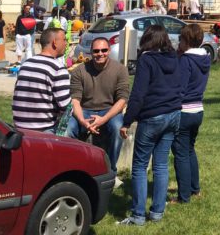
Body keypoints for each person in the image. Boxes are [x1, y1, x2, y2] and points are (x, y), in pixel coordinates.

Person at [119, 25, 182, 225]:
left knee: (139, 166)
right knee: (161, 164)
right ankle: (157, 213)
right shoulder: (175, 58)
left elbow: (138, 94)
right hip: (173, 114)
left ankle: (138, 215)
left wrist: (127, 121)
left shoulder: (146, 60)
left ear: (146, 40)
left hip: (153, 116)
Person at [66, 36, 130, 169]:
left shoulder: (120, 70)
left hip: (109, 110)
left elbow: (122, 100)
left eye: (104, 50)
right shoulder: (79, 71)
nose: (100, 54)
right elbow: (75, 100)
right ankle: (71, 168)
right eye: (96, 51)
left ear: (109, 50)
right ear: (91, 52)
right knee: (67, 130)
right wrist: (83, 121)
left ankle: (110, 169)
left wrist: (103, 119)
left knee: (118, 128)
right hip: (84, 110)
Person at [171, 24, 211, 205]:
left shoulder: (185, 61)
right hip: (198, 110)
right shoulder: (205, 58)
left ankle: (183, 196)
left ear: (186, 40)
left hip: (184, 110)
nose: (179, 42)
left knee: (180, 153)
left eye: (181, 38)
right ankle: (195, 189)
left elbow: (180, 87)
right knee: (189, 150)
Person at [12, 27, 70, 133]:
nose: (66, 43)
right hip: (43, 130)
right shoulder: (58, 68)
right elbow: (65, 107)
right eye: (64, 40)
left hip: (19, 128)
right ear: (55, 43)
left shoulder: (26, 64)